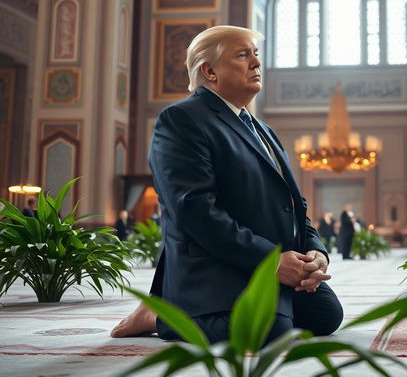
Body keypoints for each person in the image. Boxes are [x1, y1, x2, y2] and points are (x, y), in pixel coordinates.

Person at [111, 25, 343, 343]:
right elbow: (194, 211)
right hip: (213, 265)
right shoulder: (181, 119)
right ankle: (163, 313)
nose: (257, 63)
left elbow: (293, 205)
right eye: (243, 55)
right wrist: (270, 262)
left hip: (262, 261)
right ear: (210, 70)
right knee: (268, 331)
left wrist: (315, 254)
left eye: (256, 54)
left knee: (326, 315)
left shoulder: (263, 129)